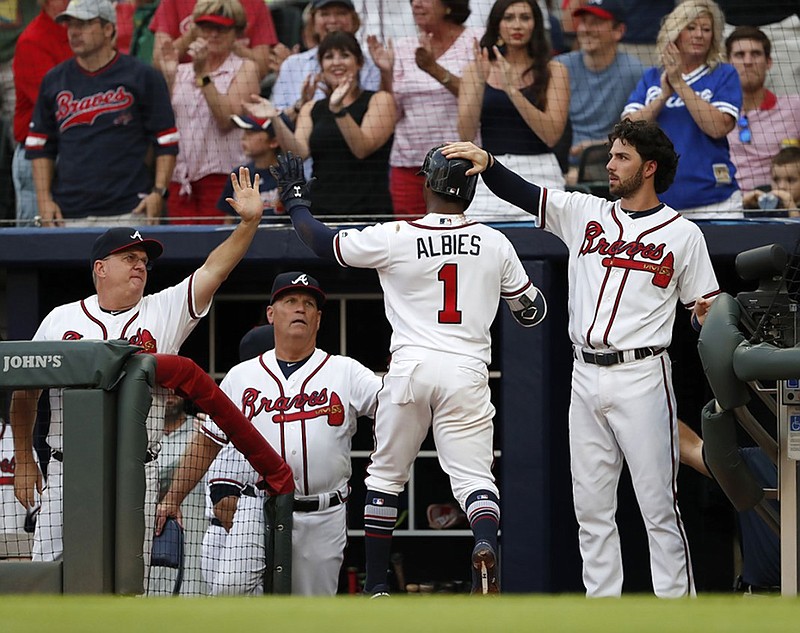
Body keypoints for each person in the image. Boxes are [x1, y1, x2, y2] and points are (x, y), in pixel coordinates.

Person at [442, 118, 720, 598]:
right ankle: (602, 613)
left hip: (643, 372)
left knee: (658, 507)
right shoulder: (584, 211)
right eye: (611, 154)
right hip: (584, 373)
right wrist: (488, 164)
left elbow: (704, 315)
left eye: (622, 156)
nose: (610, 164)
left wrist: (702, 317)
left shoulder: (684, 234)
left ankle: (679, 614)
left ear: (649, 167)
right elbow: (526, 194)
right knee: (591, 509)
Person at [270, 147, 548, 595]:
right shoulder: (496, 241)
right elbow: (532, 312)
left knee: (385, 477)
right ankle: (482, 542)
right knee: (475, 479)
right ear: (471, 190)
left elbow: (322, 242)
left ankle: (378, 586)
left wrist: (297, 200)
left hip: (409, 367)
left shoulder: (397, 234)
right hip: (466, 369)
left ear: (428, 183)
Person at [10, 166, 265, 566]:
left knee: (129, 578)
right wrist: (25, 458)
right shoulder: (60, 319)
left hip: (136, 469)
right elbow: (25, 392)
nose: (140, 266)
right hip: (67, 469)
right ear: (100, 268)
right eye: (128, 257)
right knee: (51, 574)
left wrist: (249, 223)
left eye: (144, 260)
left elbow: (215, 269)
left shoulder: (162, 309)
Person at [155, 272, 382, 596]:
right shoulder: (242, 376)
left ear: (318, 319)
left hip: (321, 513)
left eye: (308, 304)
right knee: (232, 595)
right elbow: (208, 440)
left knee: (312, 615)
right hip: (256, 508)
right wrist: (172, 498)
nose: (300, 309)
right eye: (290, 301)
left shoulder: (345, 371)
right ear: (271, 314)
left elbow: (391, 407)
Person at [25, 0, 179, 227]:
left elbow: (166, 140)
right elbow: (40, 146)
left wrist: (158, 191)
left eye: (84, 24)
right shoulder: (54, 80)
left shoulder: (142, 76)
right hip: (69, 211)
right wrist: (44, 200)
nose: (74, 32)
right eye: (70, 25)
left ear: (109, 29)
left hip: (129, 208)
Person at [246, 31, 395, 219]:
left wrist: (338, 110)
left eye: (345, 55)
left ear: (359, 63)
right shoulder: (311, 108)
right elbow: (298, 152)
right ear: (321, 66)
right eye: (329, 57)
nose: (336, 62)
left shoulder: (380, 100)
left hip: (369, 212)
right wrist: (275, 118)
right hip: (322, 212)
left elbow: (361, 149)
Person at [623, 0, 743, 219]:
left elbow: (717, 127)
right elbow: (627, 130)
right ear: (675, 32)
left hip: (715, 203)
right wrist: (663, 96)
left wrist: (679, 83)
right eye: (691, 27)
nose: (699, 35)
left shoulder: (724, 74)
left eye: (706, 29)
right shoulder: (652, 77)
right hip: (659, 204)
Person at [366, 0, 482, 218]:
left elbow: (480, 96)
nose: (416, 4)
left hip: (459, 162)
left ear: (449, 4)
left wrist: (432, 68)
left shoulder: (475, 40)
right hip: (409, 164)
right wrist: (386, 74)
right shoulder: (403, 47)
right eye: (413, 0)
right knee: (410, 242)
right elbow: (392, 110)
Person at [457, 0, 570, 222]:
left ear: (536, 24)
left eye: (525, 18)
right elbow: (466, 135)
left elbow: (552, 135)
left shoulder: (555, 70)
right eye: (509, 18)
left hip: (540, 172)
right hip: (488, 170)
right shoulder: (475, 70)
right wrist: (480, 81)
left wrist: (511, 89)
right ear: (497, 25)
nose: (517, 25)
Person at [158, 0, 260, 225]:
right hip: (181, 181)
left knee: (217, 253)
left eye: (221, 28)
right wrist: (167, 77)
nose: (213, 34)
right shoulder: (181, 71)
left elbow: (226, 119)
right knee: (179, 256)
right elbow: (164, 123)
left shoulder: (245, 68)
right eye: (206, 27)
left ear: (236, 33)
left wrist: (203, 74)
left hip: (223, 179)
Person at [678, 421, 780, 593]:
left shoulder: (756, 461)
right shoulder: (757, 462)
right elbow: (690, 448)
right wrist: (653, 401)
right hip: (762, 602)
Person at [555, 0, 644, 183]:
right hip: (559, 162)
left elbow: (641, 132)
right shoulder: (559, 66)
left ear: (619, 31)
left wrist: (600, 145)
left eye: (596, 23)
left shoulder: (635, 72)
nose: (586, 29)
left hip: (610, 163)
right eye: (584, 22)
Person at [270, 0, 381, 125]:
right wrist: (300, 105)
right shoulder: (292, 65)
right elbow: (275, 121)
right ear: (313, 21)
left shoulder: (372, 65)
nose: (333, 20)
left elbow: (380, 116)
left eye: (341, 13)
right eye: (324, 14)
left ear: (353, 20)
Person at [11, 0, 71, 227]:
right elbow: (55, 108)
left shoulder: (78, 36)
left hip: (72, 152)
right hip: (37, 154)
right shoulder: (33, 40)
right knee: (35, 240)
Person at [724, 26, 800, 193]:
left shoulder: (795, 107)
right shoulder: (713, 113)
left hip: (778, 207)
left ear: (768, 62)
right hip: (726, 206)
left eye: (756, 54)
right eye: (740, 55)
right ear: (728, 63)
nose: (748, 61)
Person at [149, 392, 206, 595]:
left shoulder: (201, 428)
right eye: (163, 387)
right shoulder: (139, 430)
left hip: (192, 523)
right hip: (148, 522)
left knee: (191, 589)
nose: (170, 393)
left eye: (176, 388)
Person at [149, 0, 278, 80]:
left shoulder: (255, 3)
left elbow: (262, 68)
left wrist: (228, 40)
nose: (214, 33)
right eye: (208, 28)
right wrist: (193, 34)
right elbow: (158, 63)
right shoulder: (174, 1)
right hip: (183, 84)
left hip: (234, 85)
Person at [216, 114, 282, 219]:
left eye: (250, 133)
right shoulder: (238, 174)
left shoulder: (288, 175)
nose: (243, 137)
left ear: (273, 142)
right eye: (244, 132)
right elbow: (229, 218)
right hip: (246, 233)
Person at [743, 146, 800, 216]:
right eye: (776, 180)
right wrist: (742, 203)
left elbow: (796, 227)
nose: (781, 186)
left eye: (790, 180)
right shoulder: (761, 199)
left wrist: (791, 206)